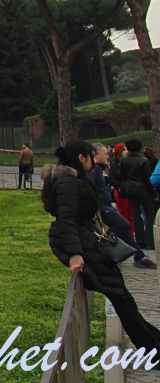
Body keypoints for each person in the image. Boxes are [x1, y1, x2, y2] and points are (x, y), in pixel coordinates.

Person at [43, 140, 160, 353]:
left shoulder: (73, 180)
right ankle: (153, 351)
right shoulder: (68, 182)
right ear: (82, 158)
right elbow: (66, 220)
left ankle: (154, 345)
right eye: (90, 156)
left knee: (124, 299)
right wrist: (75, 254)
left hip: (89, 242)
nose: (95, 160)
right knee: (122, 300)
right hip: (84, 246)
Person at [94, 143, 157, 269]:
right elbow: (147, 179)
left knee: (128, 223)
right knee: (132, 221)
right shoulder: (95, 170)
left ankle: (139, 254)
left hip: (122, 193)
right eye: (106, 154)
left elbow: (118, 177)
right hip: (104, 204)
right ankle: (102, 245)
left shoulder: (118, 163)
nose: (108, 156)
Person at [120, 139, 156, 251]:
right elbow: (147, 179)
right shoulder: (143, 161)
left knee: (136, 214)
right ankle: (150, 241)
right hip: (142, 188)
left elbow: (121, 176)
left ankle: (139, 241)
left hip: (130, 188)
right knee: (150, 214)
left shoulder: (124, 160)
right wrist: (153, 193)